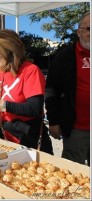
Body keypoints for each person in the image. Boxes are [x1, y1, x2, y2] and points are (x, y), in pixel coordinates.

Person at [0, 29, 53, 155]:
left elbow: (34, 108)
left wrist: (1, 104)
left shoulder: (30, 71)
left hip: (27, 137)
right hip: (3, 135)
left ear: (8, 51)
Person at [45, 12, 90, 165]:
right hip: (77, 130)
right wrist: (54, 121)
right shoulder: (65, 57)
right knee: (74, 174)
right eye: (89, 28)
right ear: (79, 32)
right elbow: (51, 91)